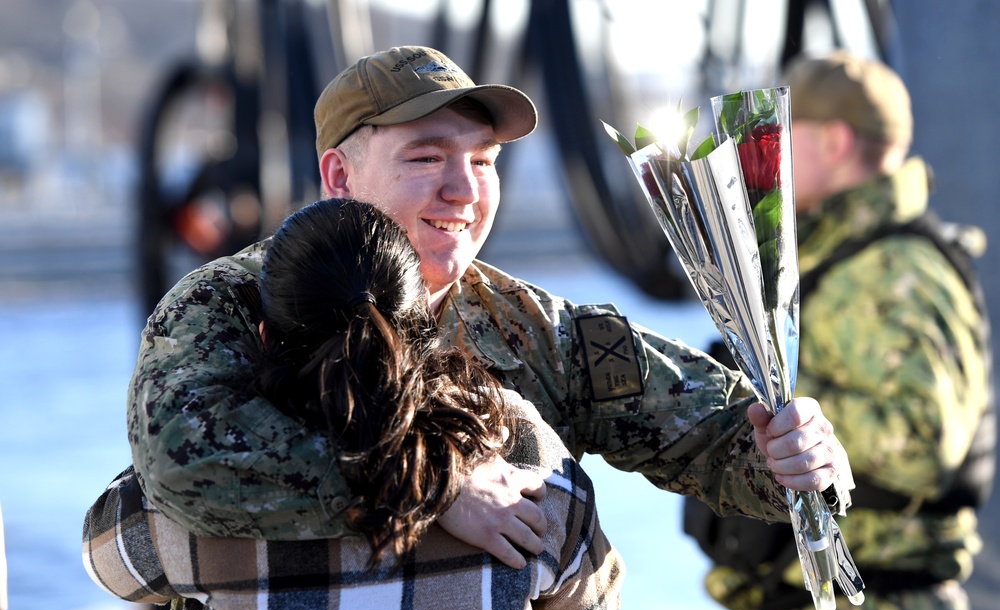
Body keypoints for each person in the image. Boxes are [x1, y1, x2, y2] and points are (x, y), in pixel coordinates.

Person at [126, 45, 851, 568]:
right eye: (426, 158)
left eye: (482, 162)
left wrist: (792, 453)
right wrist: (434, 483)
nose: (465, 192)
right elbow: (182, 463)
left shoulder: (531, 328)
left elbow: (716, 434)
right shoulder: (226, 303)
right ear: (339, 176)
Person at [84, 197, 624, 610]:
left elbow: (108, 558)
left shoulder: (216, 488)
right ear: (420, 326)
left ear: (267, 336)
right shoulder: (520, 448)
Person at [685, 51, 995, 610]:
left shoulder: (890, 269)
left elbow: (922, 442)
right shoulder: (842, 257)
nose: (767, 156)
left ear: (834, 141)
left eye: (782, 136)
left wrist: (778, 407)